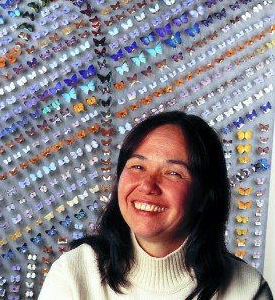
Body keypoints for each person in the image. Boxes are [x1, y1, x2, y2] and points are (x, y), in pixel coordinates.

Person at [38, 111, 273, 300]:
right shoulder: (74, 272)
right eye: (138, 167)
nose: (148, 186)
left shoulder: (247, 289)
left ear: (204, 196)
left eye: (173, 173)